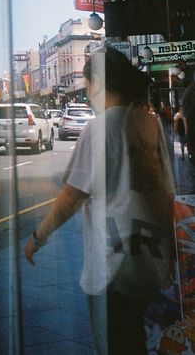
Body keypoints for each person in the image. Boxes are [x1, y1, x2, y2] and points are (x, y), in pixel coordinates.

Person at [25, 47, 175, 355]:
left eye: (89, 85)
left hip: (114, 261)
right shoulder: (151, 123)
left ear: (98, 83)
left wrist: (38, 237)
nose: (89, 93)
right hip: (153, 258)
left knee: (117, 343)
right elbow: (165, 188)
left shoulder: (99, 128)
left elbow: (70, 198)